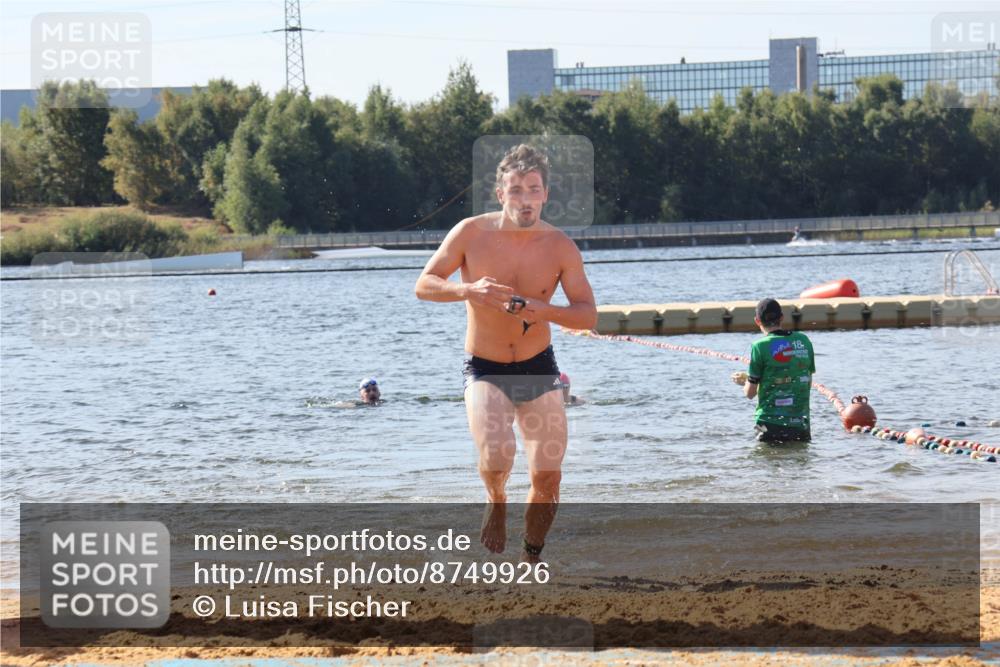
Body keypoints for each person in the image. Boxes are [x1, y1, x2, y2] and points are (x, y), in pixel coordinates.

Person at [414, 144, 597, 562]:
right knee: (498, 454)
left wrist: (545, 310)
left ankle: (532, 554)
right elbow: (424, 284)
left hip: (538, 366)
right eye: (515, 190)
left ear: (546, 195)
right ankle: (495, 500)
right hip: (485, 366)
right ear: (501, 194)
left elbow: (588, 315)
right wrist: (468, 289)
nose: (525, 199)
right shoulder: (470, 233)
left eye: (533, 189)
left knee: (548, 477)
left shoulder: (560, 246)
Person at [731, 298, 815, 443]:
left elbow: (750, 393)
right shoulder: (803, 340)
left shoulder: (759, 346)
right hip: (800, 425)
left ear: (757, 321)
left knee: (766, 463)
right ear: (781, 318)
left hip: (768, 425)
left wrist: (745, 381)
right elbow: (805, 383)